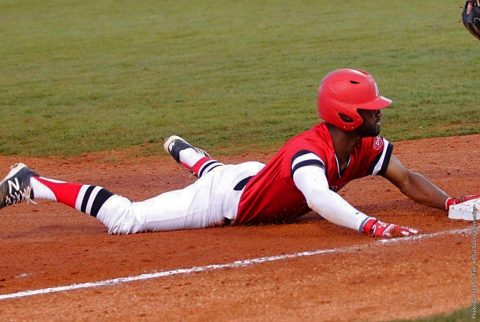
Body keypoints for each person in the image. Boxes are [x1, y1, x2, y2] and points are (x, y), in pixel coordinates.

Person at [0, 69, 477, 238]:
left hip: (251, 176)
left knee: (232, 172)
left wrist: (450, 204)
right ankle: (33, 182)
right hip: (224, 200)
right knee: (128, 219)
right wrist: (368, 224)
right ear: (347, 116)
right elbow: (319, 198)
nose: (379, 114)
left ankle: (195, 159)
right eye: (371, 109)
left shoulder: (362, 145)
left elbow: (406, 177)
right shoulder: (309, 153)